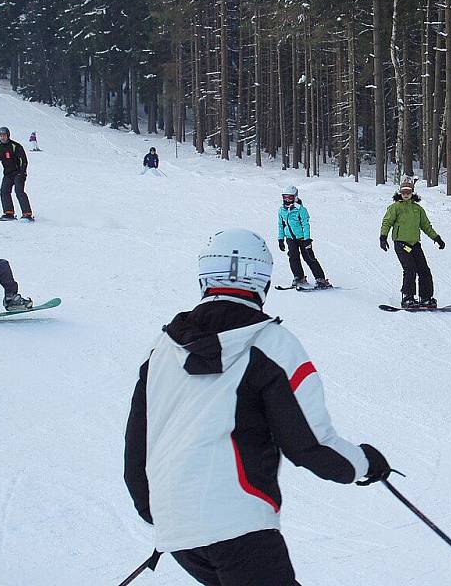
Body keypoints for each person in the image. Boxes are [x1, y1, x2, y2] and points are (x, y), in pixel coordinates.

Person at [124, 228, 391, 586]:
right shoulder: (271, 344)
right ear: (262, 281)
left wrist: (154, 509)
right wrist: (364, 464)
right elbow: (309, 444)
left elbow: (137, 442)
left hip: (178, 529)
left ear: (205, 277)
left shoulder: (160, 350)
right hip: (238, 521)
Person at [379, 175, 446, 309]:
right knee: (410, 269)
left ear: (412, 192)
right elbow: (387, 222)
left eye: (408, 192)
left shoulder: (418, 209)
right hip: (402, 244)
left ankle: (425, 297)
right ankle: (407, 297)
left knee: (424, 270)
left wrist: (437, 238)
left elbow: (426, 226)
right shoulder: (395, 208)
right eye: (403, 192)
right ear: (400, 192)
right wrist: (383, 237)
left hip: (415, 245)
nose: (406, 194)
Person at [277, 185, 332, 289]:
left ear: (295, 197)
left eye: (290, 197)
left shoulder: (301, 210)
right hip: (290, 238)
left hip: (302, 238)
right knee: (293, 257)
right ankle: (299, 277)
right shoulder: (281, 210)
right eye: (285, 197)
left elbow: (305, 225)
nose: (287, 200)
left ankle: (321, 279)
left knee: (309, 257)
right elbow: (281, 225)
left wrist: (307, 239)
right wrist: (280, 239)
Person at [0, 126, 34, 221]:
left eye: (4, 135)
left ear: (8, 136)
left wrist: (22, 172)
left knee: (19, 191)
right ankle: (9, 213)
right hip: (8, 174)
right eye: (0, 136)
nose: (2, 137)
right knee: (4, 191)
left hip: (19, 173)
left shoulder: (15, 146)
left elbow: (23, 160)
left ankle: (27, 214)